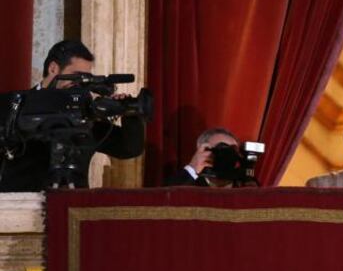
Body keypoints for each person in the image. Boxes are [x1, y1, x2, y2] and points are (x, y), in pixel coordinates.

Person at [0, 40, 145, 191]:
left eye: (85, 78)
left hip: (74, 207)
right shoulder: (15, 104)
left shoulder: (84, 113)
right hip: (21, 206)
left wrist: (129, 112)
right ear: (53, 68)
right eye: (76, 77)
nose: (80, 84)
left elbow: (129, 148)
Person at [164, 127, 242, 187]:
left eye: (232, 150)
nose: (227, 155)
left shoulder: (242, 184)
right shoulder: (188, 182)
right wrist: (192, 169)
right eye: (221, 149)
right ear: (202, 152)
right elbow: (166, 199)